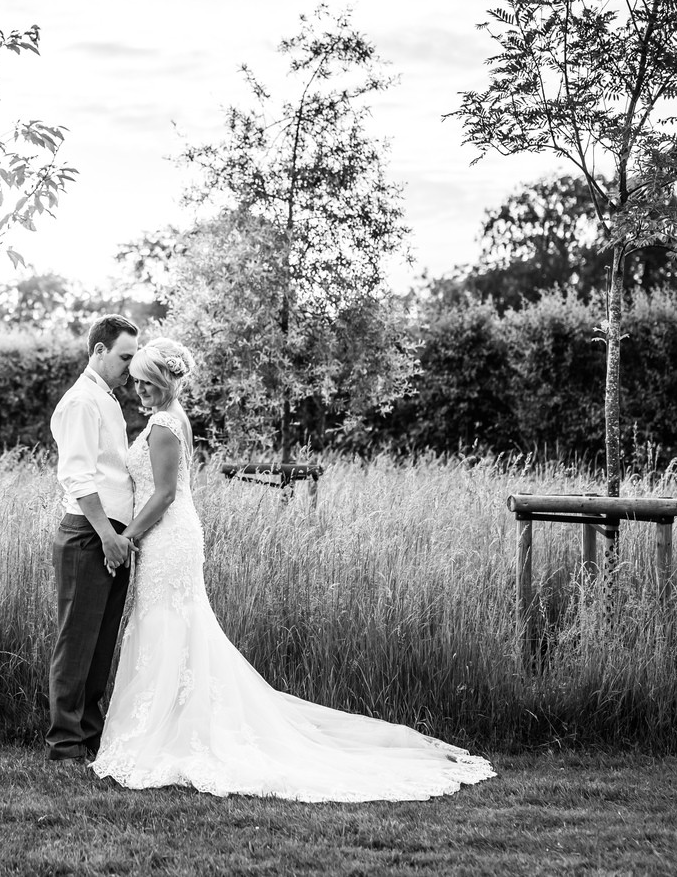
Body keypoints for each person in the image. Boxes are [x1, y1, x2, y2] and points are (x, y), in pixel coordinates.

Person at [91, 337, 497, 801]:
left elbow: (163, 495)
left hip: (166, 536)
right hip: (171, 535)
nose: (139, 389)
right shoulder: (172, 417)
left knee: (167, 625)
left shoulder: (164, 424)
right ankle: (172, 726)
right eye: (137, 382)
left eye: (147, 382)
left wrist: (126, 537)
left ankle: (164, 734)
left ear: (166, 380)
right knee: (174, 629)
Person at [45, 314, 140, 762]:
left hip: (112, 536)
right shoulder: (82, 402)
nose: (131, 367)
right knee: (77, 641)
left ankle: (89, 736)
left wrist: (119, 535)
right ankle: (64, 744)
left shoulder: (105, 398)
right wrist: (106, 535)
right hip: (90, 535)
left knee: (101, 645)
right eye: (124, 357)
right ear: (99, 351)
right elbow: (77, 477)